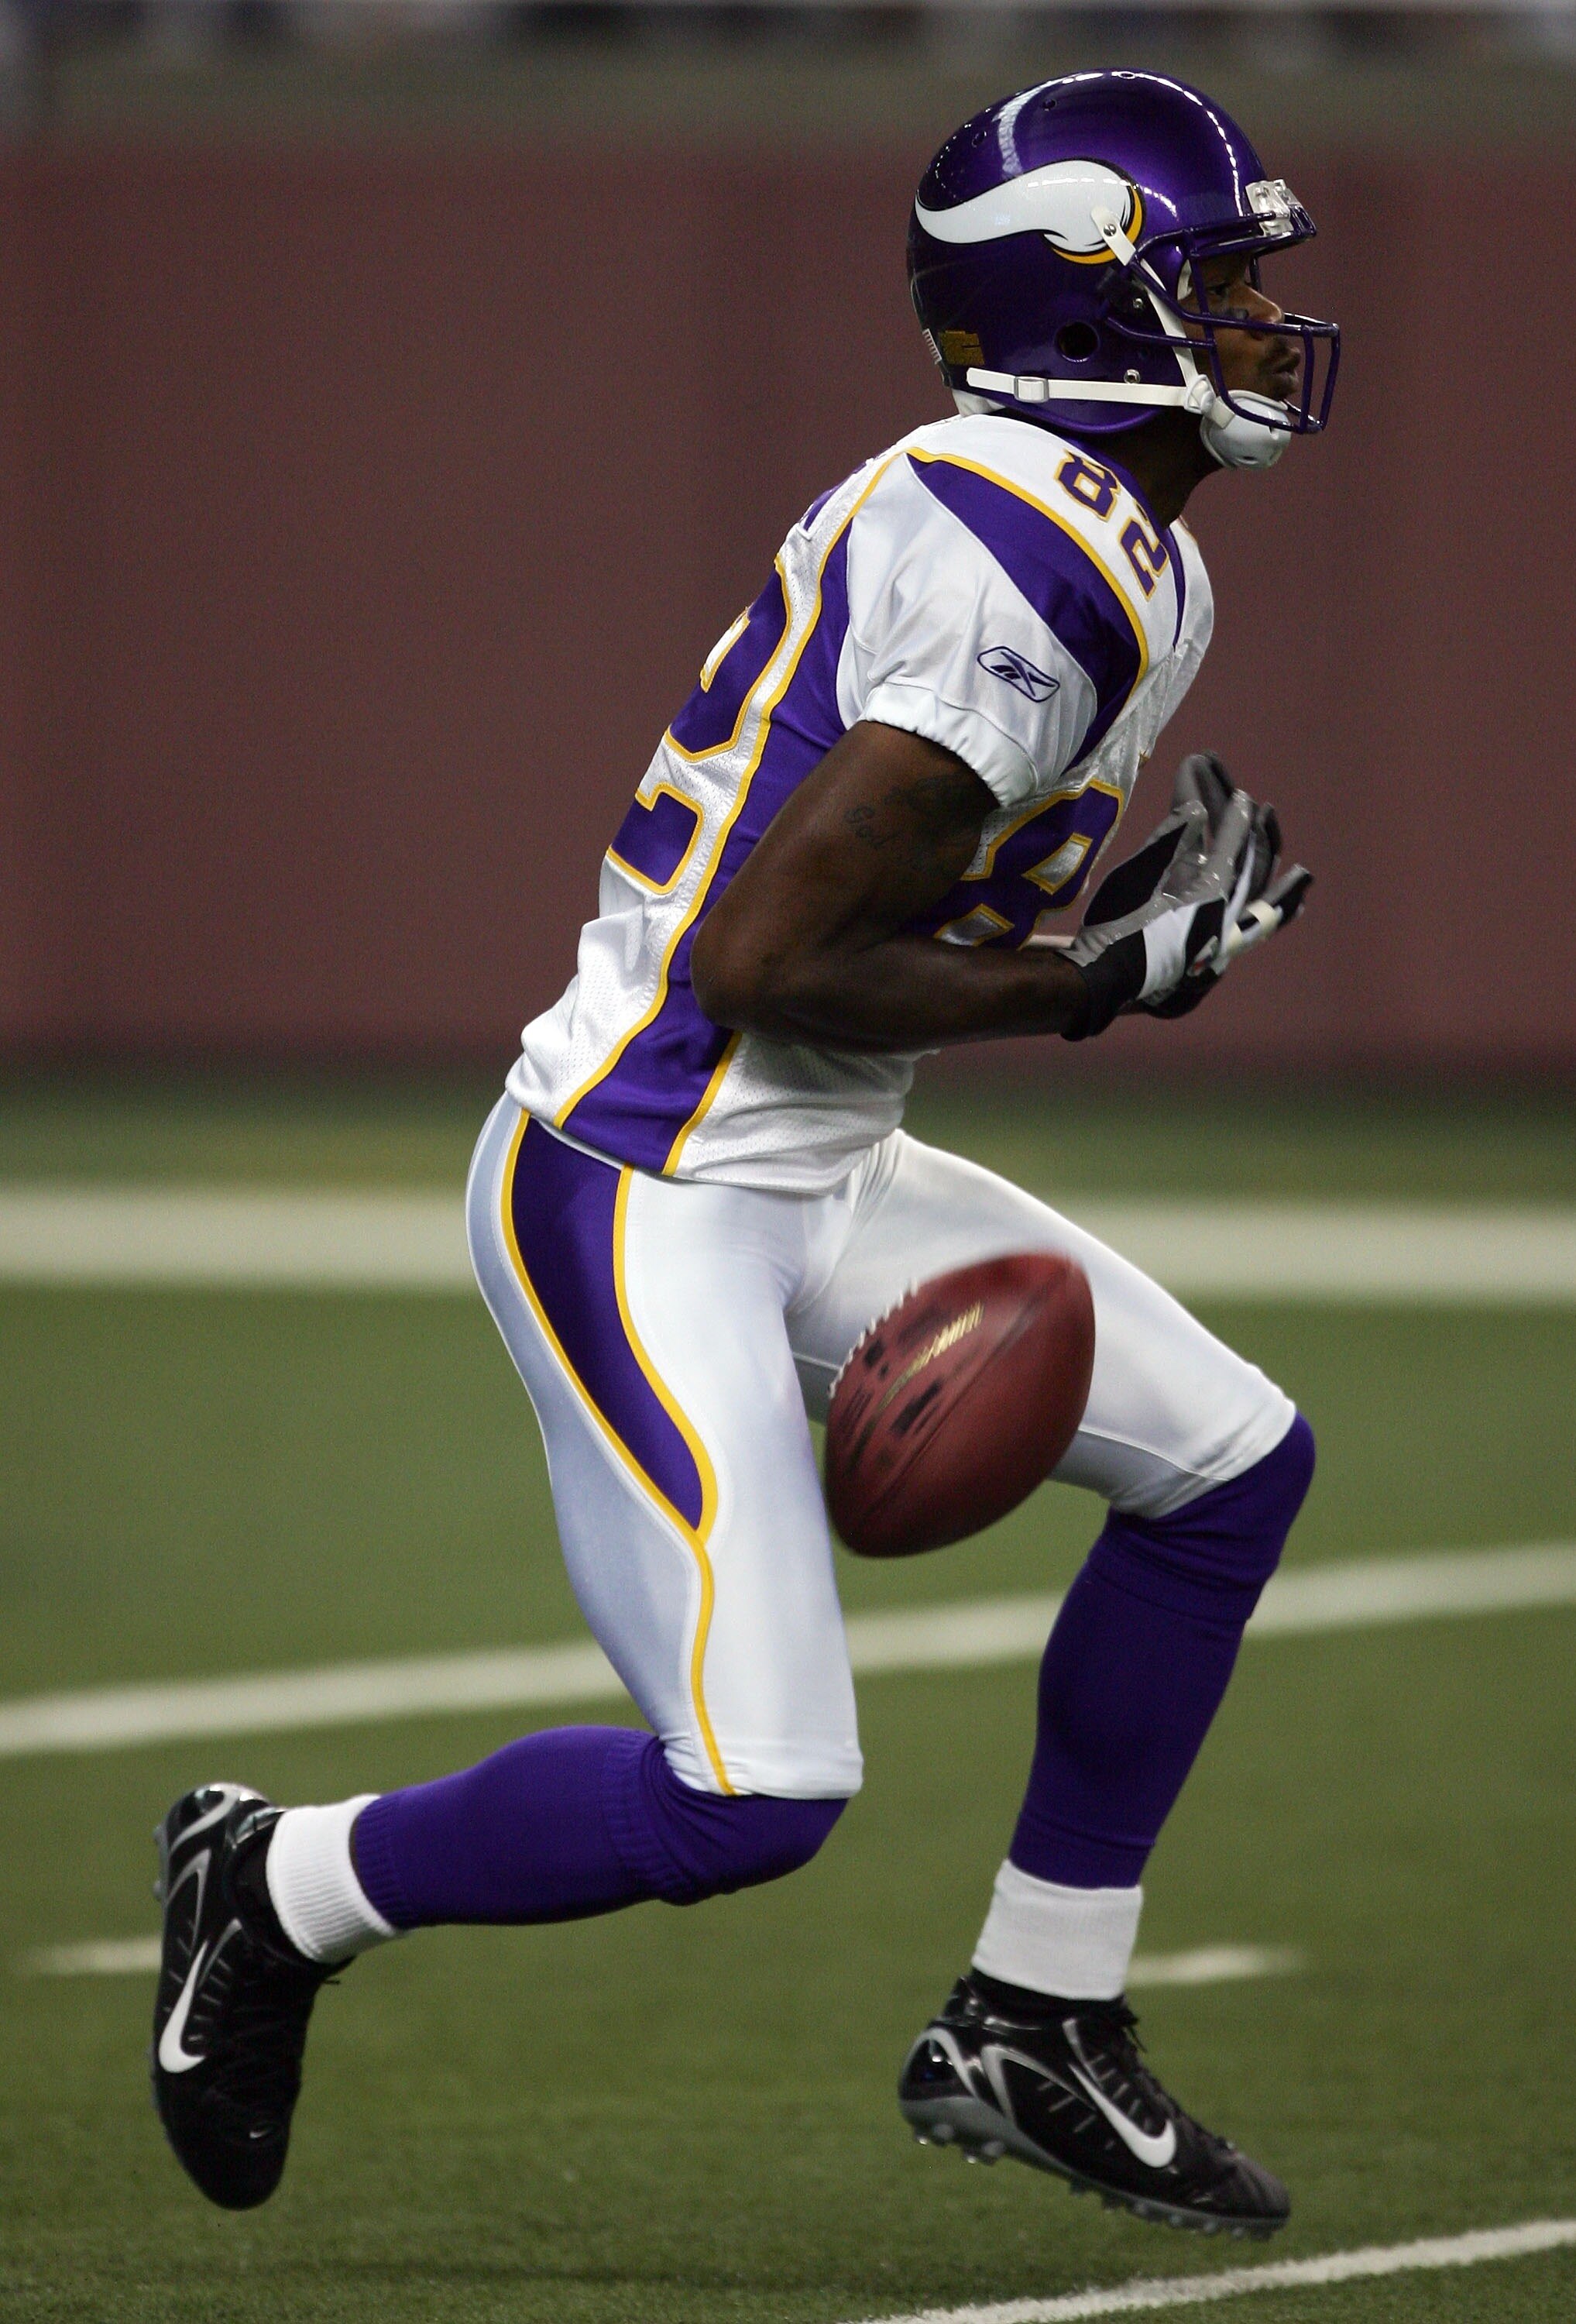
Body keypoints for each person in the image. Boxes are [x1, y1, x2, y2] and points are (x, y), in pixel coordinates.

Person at [151, 70, 1337, 2238]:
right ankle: (282, 1880)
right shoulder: (1032, 559)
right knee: (751, 1798)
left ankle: (1037, 2018)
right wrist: (1101, 977)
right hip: (652, 1177)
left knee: (1235, 1467)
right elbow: (769, 959)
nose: (1264, 320)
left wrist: (1095, 945)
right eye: (1221, 280)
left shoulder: (1103, 536)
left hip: (806, 1158)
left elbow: (862, 923)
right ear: (1087, 305)